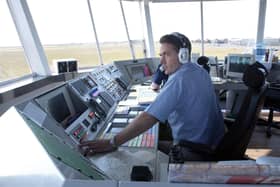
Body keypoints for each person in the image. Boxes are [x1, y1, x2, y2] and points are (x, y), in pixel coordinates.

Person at [80, 32, 225, 161]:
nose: (161, 61)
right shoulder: (199, 71)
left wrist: (112, 142)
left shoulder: (180, 79)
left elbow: (149, 117)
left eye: (166, 55)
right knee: (147, 139)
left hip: (195, 151)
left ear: (183, 55)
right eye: (160, 55)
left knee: (134, 150)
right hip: (212, 143)